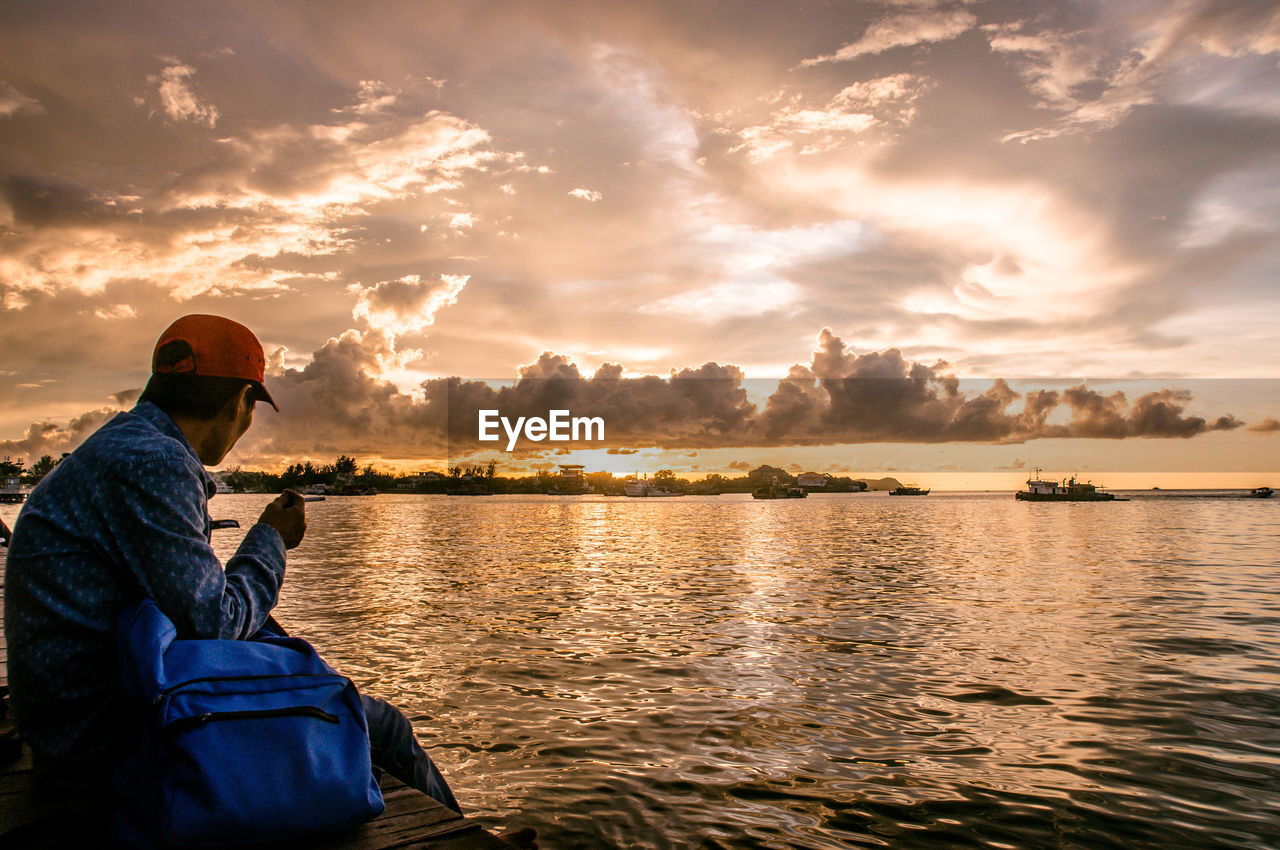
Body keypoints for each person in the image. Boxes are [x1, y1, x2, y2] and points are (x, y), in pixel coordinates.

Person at [3, 314, 459, 829]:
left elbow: (191, 613)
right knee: (384, 727)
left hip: (78, 717)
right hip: (99, 744)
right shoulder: (154, 463)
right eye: (251, 409)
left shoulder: (124, 447)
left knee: (319, 692)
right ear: (239, 400)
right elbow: (215, 623)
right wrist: (271, 540)